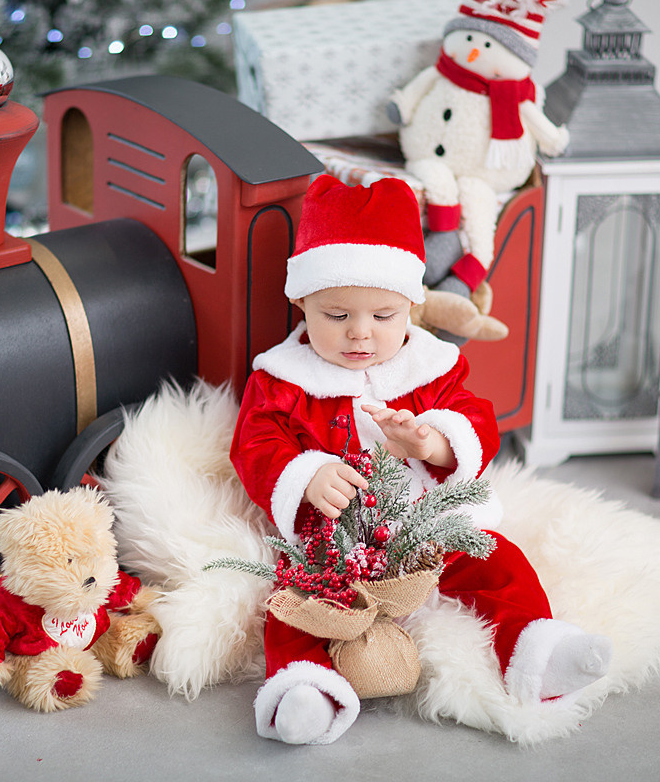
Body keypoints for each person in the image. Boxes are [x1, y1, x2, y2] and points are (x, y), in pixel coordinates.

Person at [230, 174, 611, 745]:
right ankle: (303, 689)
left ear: (411, 304)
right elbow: (254, 442)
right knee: (295, 602)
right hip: (337, 538)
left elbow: (476, 417)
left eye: (384, 317)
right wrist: (306, 475)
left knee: (498, 561)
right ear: (300, 300)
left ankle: (536, 646)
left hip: (419, 522)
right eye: (336, 315)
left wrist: (433, 444)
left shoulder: (431, 366)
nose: (361, 334)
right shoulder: (283, 379)